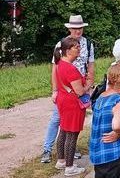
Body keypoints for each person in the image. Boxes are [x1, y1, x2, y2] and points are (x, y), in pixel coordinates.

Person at [41, 15, 95, 163]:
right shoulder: (61, 44)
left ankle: (67, 152)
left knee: (71, 124)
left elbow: (90, 66)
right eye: (75, 28)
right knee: (57, 119)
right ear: (69, 28)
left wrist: (88, 84)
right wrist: (55, 90)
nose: (78, 31)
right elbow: (55, 68)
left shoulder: (88, 44)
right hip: (67, 87)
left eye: (80, 28)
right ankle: (47, 149)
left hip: (81, 86)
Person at [54, 37, 92, 176]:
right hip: (72, 103)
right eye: (76, 47)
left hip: (63, 100)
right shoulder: (70, 68)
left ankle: (61, 160)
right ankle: (70, 167)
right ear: (68, 50)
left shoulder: (60, 64)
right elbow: (80, 91)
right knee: (72, 133)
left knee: (63, 130)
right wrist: (88, 83)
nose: (79, 49)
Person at [90, 64, 120, 178]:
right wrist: (118, 132)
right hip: (114, 154)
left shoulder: (101, 97)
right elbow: (117, 125)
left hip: (99, 153)